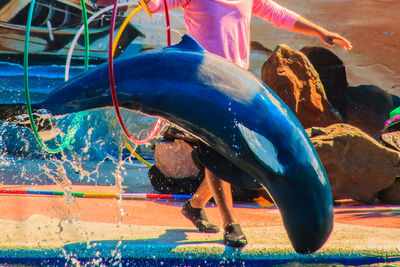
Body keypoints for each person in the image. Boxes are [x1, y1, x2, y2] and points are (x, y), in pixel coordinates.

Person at [143, 0, 352, 248]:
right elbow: (155, 5)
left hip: (236, 82)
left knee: (232, 152)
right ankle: (231, 223)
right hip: (204, 80)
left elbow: (279, 15)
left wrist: (320, 31)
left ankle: (195, 205)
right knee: (219, 149)